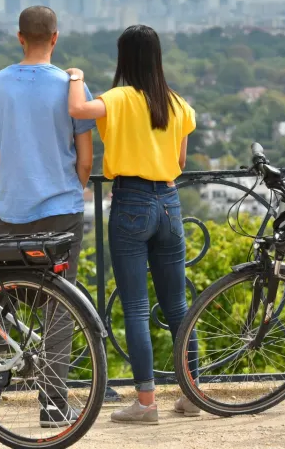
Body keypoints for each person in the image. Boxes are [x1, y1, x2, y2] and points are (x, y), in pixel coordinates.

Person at [0, 5, 96, 428]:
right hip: (62, 210)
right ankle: (53, 405)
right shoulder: (72, 87)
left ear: (20, 37)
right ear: (55, 37)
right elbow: (85, 159)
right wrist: (72, 185)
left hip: (11, 210)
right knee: (58, 305)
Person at [66, 24, 199, 425]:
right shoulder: (177, 103)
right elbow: (179, 164)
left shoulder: (119, 97)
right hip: (169, 204)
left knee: (137, 309)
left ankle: (146, 402)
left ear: (124, 58)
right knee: (178, 306)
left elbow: (77, 110)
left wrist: (76, 77)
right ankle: (193, 393)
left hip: (131, 203)